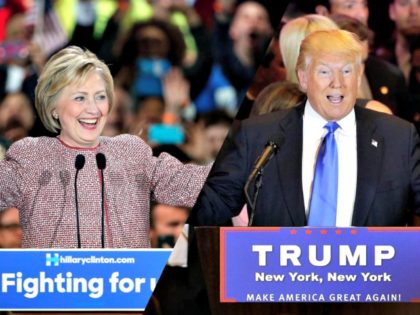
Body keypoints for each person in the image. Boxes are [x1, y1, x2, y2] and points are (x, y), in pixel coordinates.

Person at [188, 29, 420, 227]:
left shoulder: (398, 137)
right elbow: (212, 207)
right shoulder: (258, 135)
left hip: (373, 277)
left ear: (358, 77)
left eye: (347, 71)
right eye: (324, 71)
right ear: (303, 78)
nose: (337, 82)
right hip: (279, 276)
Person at [0, 46, 209, 248]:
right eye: (80, 97)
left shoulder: (130, 152)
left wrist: (235, 161)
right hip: (53, 281)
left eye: (100, 97)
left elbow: (194, 184)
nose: (93, 109)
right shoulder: (30, 157)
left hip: (128, 281)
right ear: (53, 106)